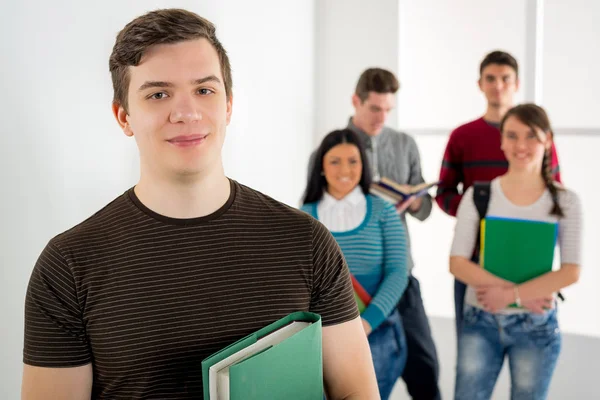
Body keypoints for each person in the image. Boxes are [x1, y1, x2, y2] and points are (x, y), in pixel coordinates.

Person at [21, 9, 380, 399]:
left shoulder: (307, 243)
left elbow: (355, 393)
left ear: (227, 105)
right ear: (124, 117)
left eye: (204, 90)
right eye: (158, 94)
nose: (186, 112)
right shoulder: (69, 265)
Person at [309, 68, 441, 400]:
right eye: (374, 109)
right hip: (343, 289)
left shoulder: (404, 144)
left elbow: (425, 211)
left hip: (397, 276)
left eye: (388, 110)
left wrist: (409, 202)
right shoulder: (331, 148)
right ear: (357, 101)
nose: (381, 117)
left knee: (425, 370)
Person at [449, 104, 581, 400]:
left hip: (536, 326)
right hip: (480, 319)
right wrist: (517, 293)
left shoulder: (566, 201)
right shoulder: (479, 194)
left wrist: (509, 296)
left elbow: (571, 271)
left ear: (547, 140)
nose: (521, 145)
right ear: (502, 141)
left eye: (531, 136)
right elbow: (457, 263)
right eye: (512, 135)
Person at [436, 51, 562, 335]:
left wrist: (513, 213)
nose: (498, 85)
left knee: (532, 349)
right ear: (480, 84)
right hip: (473, 258)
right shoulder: (462, 136)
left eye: (506, 79)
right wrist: (479, 214)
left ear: (517, 83)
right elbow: (444, 192)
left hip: (530, 261)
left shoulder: (540, 136)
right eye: (490, 79)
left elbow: (554, 195)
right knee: (473, 351)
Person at [301, 129, 409, 399]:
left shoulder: (383, 211)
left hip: (377, 332)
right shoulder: (303, 217)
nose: (345, 169)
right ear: (322, 167)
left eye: (353, 161)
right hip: (322, 339)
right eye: (335, 161)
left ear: (364, 165)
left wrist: (366, 324)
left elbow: (398, 272)